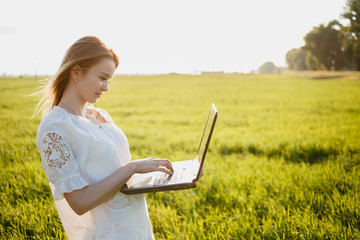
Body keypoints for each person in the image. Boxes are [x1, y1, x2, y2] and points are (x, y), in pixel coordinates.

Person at [34, 36, 174, 239]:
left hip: (136, 227)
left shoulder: (99, 116)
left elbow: (115, 171)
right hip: (106, 233)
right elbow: (79, 202)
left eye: (109, 80)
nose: (106, 87)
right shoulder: (54, 129)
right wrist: (132, 168)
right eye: (102, 78)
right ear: (76, 72)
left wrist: (165, 175)